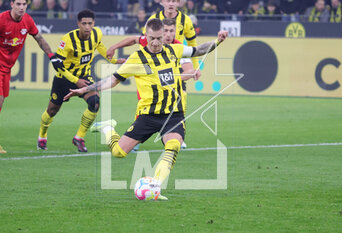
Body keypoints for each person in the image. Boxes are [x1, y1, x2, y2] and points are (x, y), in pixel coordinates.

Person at [64, 18, 228, 199]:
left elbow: (199, 50)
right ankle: (107, 128)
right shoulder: (136, 58)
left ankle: (155, 186)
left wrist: (218, 41)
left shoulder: (175, 50)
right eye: (152, 38)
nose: (156, 42)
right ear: (146, 36)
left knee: (173, 145)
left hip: (173, 114)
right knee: (118, 152)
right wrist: (84, 89)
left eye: (159, 38)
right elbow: (112, 80)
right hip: (148, 115)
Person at [37, 9, 125, 152]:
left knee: (95, 102)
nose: (87, 27)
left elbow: (100, 46)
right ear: (78, 24)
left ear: (93, 23)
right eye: (84, 23)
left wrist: (114, 60)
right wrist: (75, 80)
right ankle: (42, 135)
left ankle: (79, 137)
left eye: (90, 23)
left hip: (84, 77)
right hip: (64, 79)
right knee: (52, 111)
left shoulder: (97, 33)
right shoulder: (67, 40)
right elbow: (57, 66)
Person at [107, 18, 201, 151]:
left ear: (175, 32)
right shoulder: (148, 41)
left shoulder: (177, 46)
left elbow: (189, 71)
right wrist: (114, 47)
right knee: (145, 108)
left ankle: (175, 135)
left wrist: (168, 77)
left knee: (180, 99)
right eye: (166, 30)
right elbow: (133, 39)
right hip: (150, 86)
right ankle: (137, 138)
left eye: (171, 31)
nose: (168, 34)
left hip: (174, 87)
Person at [0, 0, 61, 153]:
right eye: (18, 4)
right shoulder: (0, 20)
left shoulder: (27, 20)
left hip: (6, 68)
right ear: (11, 4)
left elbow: (40, 39)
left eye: (24, 4)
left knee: (0, 100)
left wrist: (52, 56)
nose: (21, 7)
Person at [144, 0, 198, 70]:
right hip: (157, 63)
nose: (171, 4)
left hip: (177, 63)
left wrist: (196, 66)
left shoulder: (185, 20)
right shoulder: (153, 19)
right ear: (162, 2)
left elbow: (192, 44)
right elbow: (144, 41)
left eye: (173, 1)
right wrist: (145, 64)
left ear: (178, 3)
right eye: (168, 1)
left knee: (184, 75)